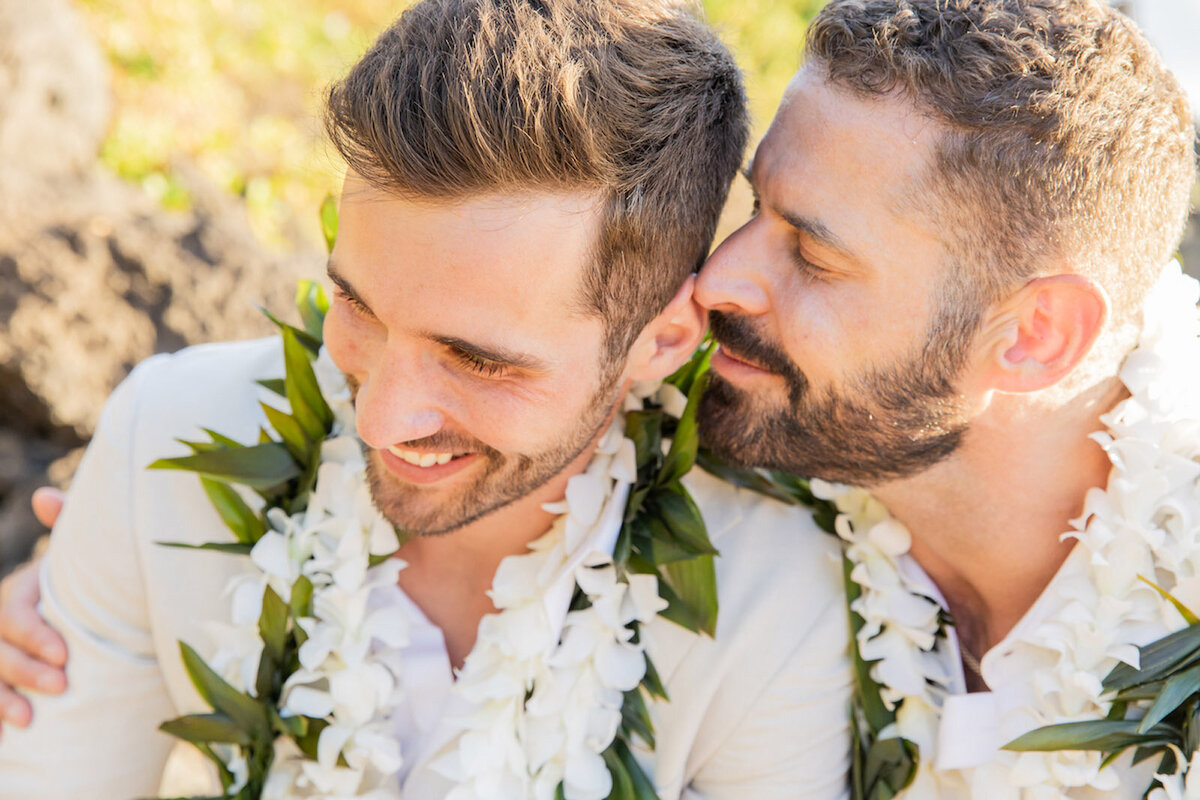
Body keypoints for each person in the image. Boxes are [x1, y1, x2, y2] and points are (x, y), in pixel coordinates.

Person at [0, 1, 852, 798]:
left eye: (479, 362)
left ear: (661, 341)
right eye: (360, 307)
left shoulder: (770, 611)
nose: (380, 418)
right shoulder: (169, 440)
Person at [693, 0, 1198, 796]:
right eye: (756, 206)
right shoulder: (707, 515)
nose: (716, 281)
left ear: (1036, 334)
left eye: (815, 254)